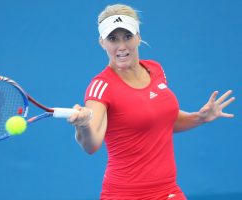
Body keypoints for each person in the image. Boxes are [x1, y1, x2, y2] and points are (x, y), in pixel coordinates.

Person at [68, 4, 235, 200]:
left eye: (127, 37)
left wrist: (199, 118)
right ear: (102, 43)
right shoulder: (101, 86)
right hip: (125, 194)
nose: (121, 46)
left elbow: (162, 120)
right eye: (112, 39)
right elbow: (91, 145)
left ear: (138, 37)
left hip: (168, 190)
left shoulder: (155, 69)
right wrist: (83, 126)